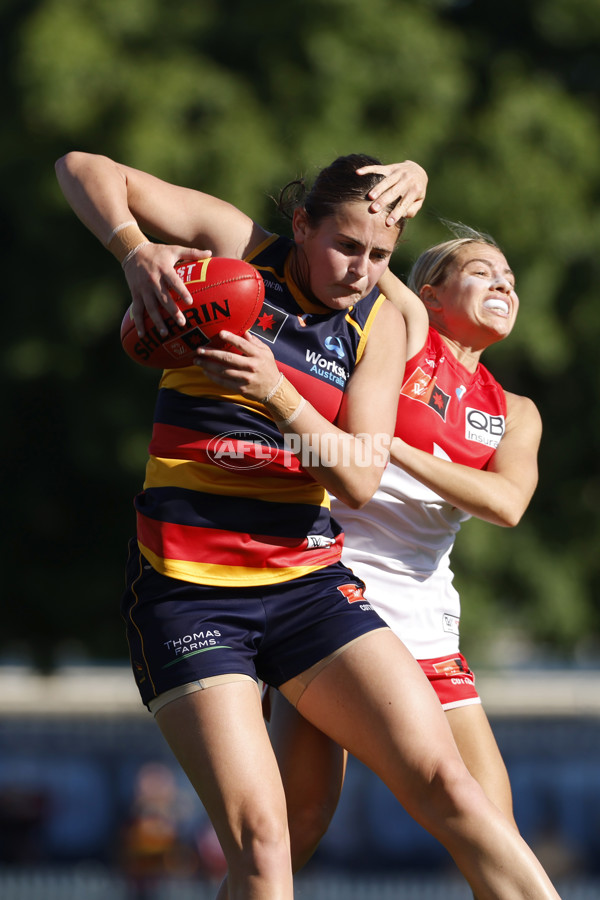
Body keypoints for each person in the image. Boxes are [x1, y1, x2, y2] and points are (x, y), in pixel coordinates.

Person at [55, 149, 560, 900]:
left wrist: (275, 394)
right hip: (190, 592)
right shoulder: (240, 252)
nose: (361, 268)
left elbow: (356, 474)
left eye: (380, 255)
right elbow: (82, 169)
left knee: (451, 787)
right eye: (346, 246)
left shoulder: (379, 324)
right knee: (268, 839)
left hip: (307, 584)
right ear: (301, 224)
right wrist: (136, 255)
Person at [258, 217, 542, 891]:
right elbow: (362, 252)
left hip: (426, 616)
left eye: (510, 278)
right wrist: (398, 187)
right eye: (482, 272)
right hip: (332, 596)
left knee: (492, 826)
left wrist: (392, 446)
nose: (503, 283)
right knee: (297, 824)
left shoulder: (517, 410)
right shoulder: (407, 336)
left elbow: (506, 503)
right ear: (432, 295)